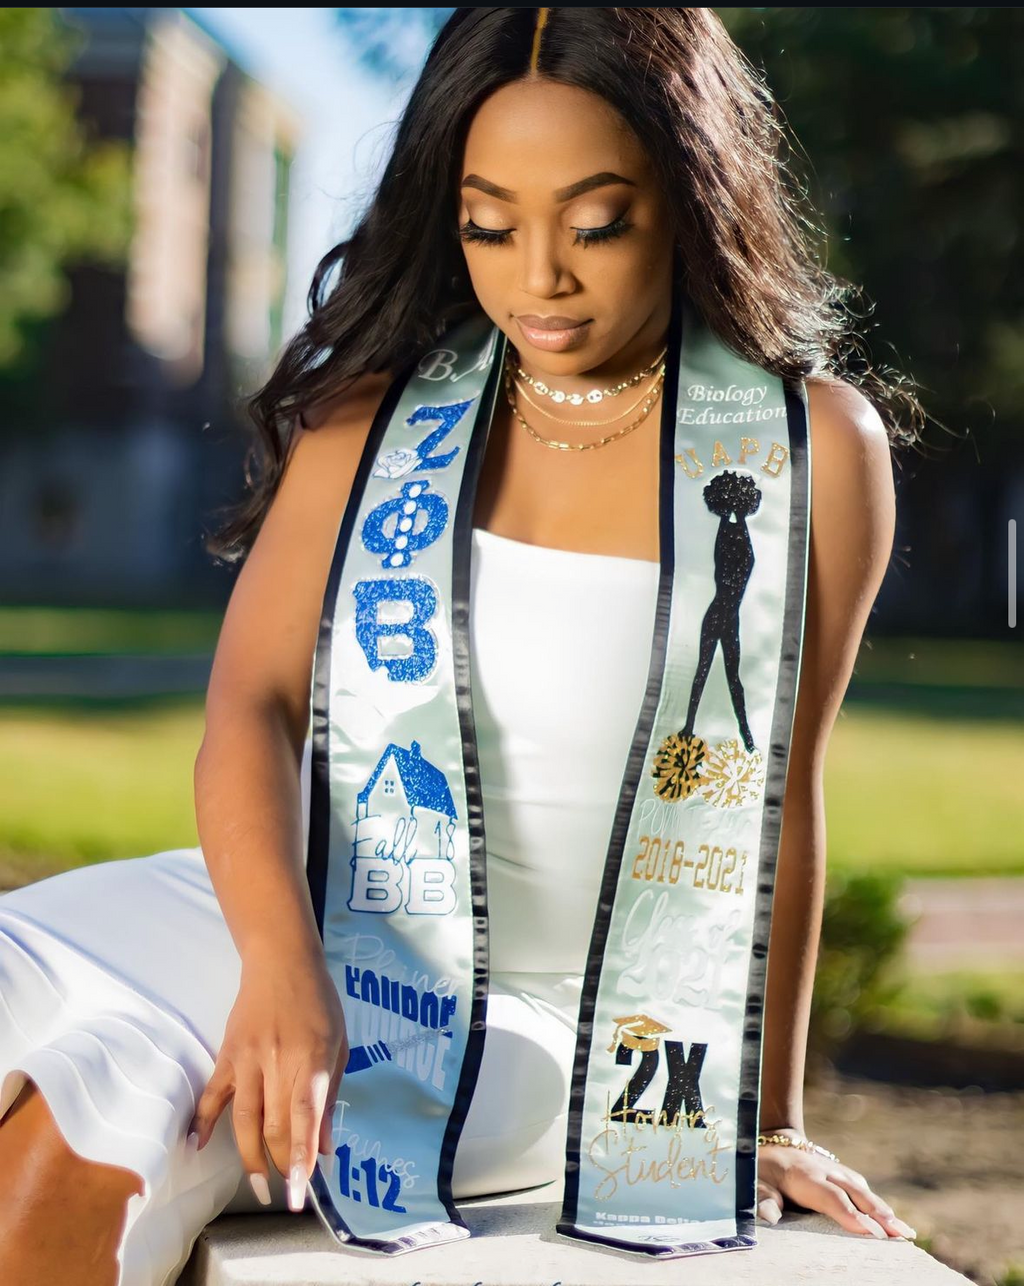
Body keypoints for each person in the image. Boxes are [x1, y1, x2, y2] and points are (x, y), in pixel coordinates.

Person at [0, 8, 923, 1285]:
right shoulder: (376, 427)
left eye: (594, 222)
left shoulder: (805, 450)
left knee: (72, 1140)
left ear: (691, 195)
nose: (537, 276)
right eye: (490, 224)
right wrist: (281, 963)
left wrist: (758, 1116)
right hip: (279, 914)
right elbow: (250, 708)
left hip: (526, 1009)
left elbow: (779, 794)